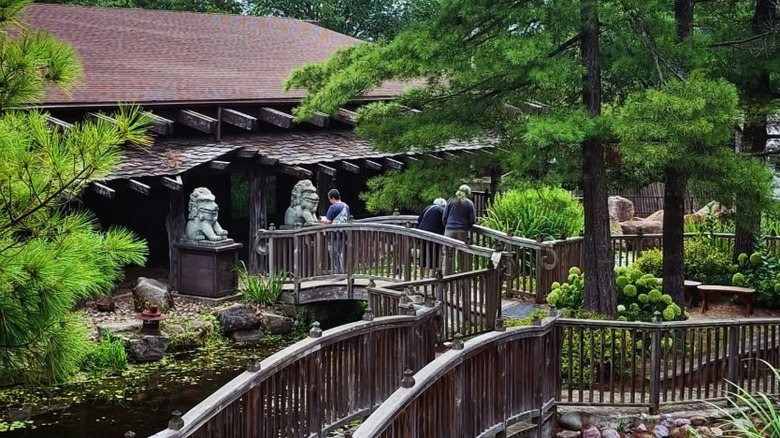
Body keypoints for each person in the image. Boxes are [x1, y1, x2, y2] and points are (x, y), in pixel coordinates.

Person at [321, 189, 350, 275]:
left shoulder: (333, 207)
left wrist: (323, 219)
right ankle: (341, 272)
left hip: (334, 233)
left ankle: (338, 273)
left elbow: (328, 221)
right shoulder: (346, 206)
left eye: (330, 199)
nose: (329, 201)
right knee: (339, 253)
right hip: (343, 233)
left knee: (333, 252)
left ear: (333, 198)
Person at [418, 198, 446, 276]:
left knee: (423, 254)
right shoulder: (442, 210)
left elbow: (419, 219)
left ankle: (421, 277)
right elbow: (444, 222)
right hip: (435, 235)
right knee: (435, 255)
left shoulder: (427, 208)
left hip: (422, 233)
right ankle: (432, 276)